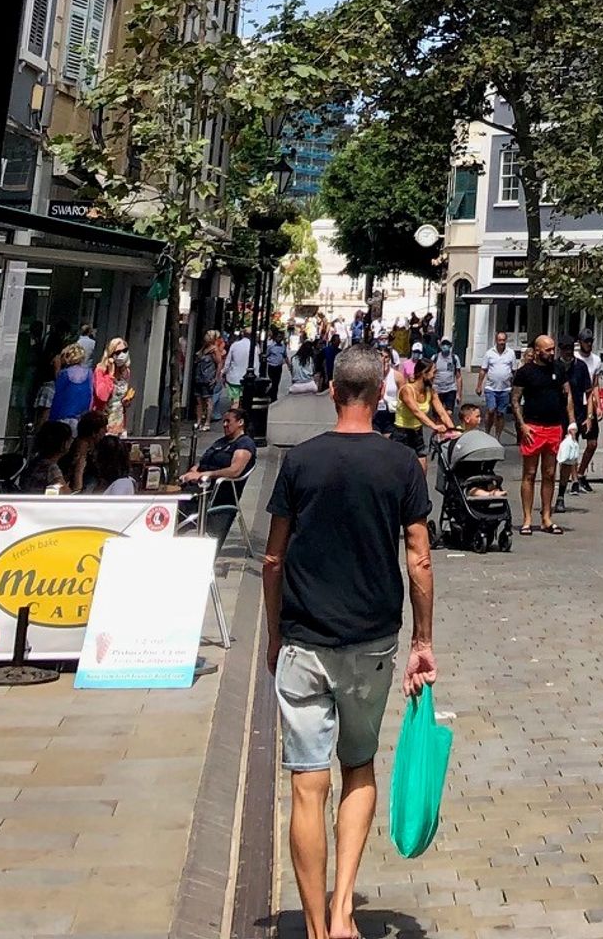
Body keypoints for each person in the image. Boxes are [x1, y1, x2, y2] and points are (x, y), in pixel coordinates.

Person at [263, 345, 435, 939]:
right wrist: (424, 639)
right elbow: (419, 558)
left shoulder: (300, 462)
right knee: (358, 767)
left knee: (306, 784)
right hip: (372, 641)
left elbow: (273, 556)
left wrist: (272, 633)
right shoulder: (400, 465)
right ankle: (343, 916)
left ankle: (313, 927)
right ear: (382, 391)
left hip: (305, 640)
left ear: (333, 392)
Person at [511, 332, 574, 534]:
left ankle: (547, 517)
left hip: (554, 426)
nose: (551, 352)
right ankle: (527, 519)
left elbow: (568, 395)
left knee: (549, 473)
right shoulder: (525, 372)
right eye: (547, 349)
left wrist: (571, 423)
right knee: (529, 473)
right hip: (533, 426)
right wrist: (522, 425)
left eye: (552, 349)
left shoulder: (559, 368)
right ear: (537, 351)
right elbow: (515, 399)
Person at [182, 403, 260, 536]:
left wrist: (205, 475)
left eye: (228, 421)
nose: (224, 425)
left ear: (240, 422)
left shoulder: (244, 443)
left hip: (217, 491)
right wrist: (193, 472)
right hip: (199, 485)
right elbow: (202, 461)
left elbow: (235, 471)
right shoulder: (221, 442)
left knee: (179, 502)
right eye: (223, 421)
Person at [394, 356, 452, 459]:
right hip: (402, 434)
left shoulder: (430, 391)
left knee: (422, 469)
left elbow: (442, 413)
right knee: (402, 471)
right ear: (424, 373)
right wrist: (434, 426)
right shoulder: (407, 390)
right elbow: (416, 411)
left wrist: (453, 430)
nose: (435, 376)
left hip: (417, 434)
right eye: (433, 373)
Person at [566, 336, 599, 493]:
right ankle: (574, 480)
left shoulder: (593, 361)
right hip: (572, 408)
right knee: (573, 445)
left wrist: (593, 412)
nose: (589, 344)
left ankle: (580, 473)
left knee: (592, 443)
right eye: (586, 341)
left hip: (586, 407)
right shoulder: (571, 363)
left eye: (591, 341)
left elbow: (594, 386)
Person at [17, 416, 72, 493]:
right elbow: (65, 495)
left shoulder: (34, 463)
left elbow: (52, 492)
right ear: (64, 444)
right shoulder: (51, 468)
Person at [94, 336, 136, 435]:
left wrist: (126, 401)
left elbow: (120, 398)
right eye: (117, 352)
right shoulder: (101, 370)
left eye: (124, 350)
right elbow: (102, 396)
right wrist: (111, 375)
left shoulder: (126, 372)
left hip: (119, 423)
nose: (122, 355)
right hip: (103, 423)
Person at [51, 339, 96, 427]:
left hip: (63, 418)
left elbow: (57, 398)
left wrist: (52, 420)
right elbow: (91, 396)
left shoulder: (64, 374)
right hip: (81, 418)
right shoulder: (89, 373)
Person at [480, 332, 518, 437]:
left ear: (506, 340)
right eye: (499, 340)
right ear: (496, 340)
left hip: (505, 389)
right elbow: (483, 370)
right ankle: (487, 432)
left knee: (501, 414)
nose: (501, 342)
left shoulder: (511, 353)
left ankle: (497, 436)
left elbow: (514, 371)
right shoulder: (489, 353)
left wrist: (514, 387)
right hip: (491, 387)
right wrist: (479, 385)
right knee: (491, 410)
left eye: (503, 340)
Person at [223, 325, 256, 406]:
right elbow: (256, 364)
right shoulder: (254, 347)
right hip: (247, 379)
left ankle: (234, 413)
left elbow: (228, 361)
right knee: (244, 400)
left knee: (235, 400)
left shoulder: (235, 345)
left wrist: (224, 371)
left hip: (234, 377)